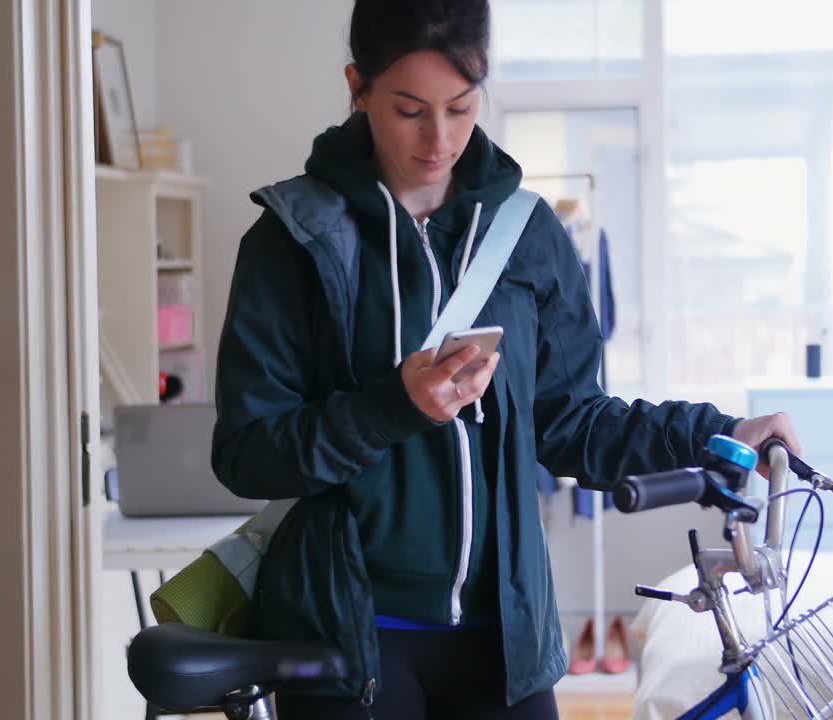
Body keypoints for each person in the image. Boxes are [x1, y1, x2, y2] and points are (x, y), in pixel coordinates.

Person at [211, 1, 801, 717]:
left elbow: (571, 422)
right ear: (357, 87)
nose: (439, 140)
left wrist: (714, 432)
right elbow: (247, 454)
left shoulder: (528, 233)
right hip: (347, 636)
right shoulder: (294, 239)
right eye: (409, 110)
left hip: (503, 637)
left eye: (461, 108)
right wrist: (392, 408)